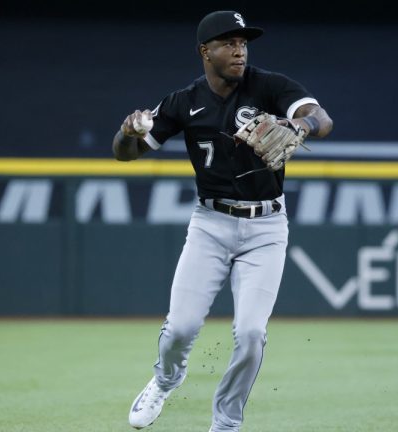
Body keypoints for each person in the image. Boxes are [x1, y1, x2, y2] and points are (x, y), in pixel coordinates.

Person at [113, 10, 333, 432]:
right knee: (180, 328)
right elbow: (126, 152)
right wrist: (128, 132)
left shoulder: (269, 86)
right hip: (210, 225)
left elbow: (322, 118)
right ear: (205, 51)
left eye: (243, 43)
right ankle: (164, 380)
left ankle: (226, 423)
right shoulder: (184, 101)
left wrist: (300, 124)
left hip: (266, 227)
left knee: (251, 335)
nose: (239, 50)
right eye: (229, 43)